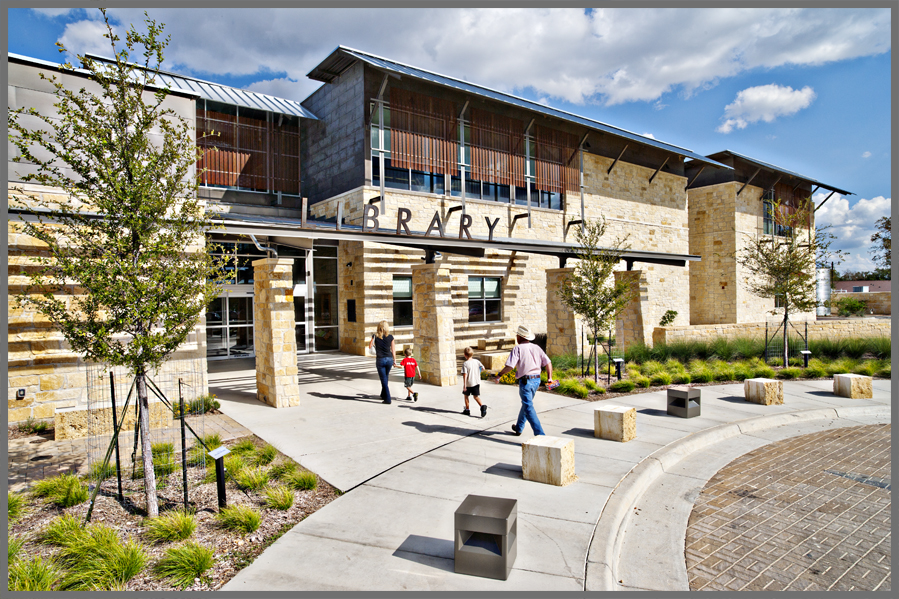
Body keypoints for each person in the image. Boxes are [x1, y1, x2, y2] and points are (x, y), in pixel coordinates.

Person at [493, 325, 553, 436]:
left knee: (528, 407)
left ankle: (540, 434)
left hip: (526, 382)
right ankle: (519, 427)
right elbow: (548, 362)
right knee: (526, 404)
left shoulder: (518, 348)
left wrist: (499, 375)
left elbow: (510, 366)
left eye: (517, 335)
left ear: (520, 337)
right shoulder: (537, 347)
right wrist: (550, 378)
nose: (516, 337)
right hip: (536, 381)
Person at [369, 321, 396, 404]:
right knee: (386, 377)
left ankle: (388, 399)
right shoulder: (391, 337)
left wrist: (375, 346)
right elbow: (393, 350)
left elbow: (370, 346)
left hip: (380, 359)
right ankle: (383, 394)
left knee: (383, 379)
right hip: (389, 359)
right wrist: (394, 360)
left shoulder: (375, 336)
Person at [460, 347, 487, 417]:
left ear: (465, 355)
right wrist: (478, 372)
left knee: (466, 396)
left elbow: (465, 375)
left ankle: (467, 410)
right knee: (476, 396)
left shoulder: (465, 364)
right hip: (476, 382)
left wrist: (464, 385)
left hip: (469, 383)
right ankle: (482, 406)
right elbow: (483, 368)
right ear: (472, 354)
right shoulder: (477, 361)